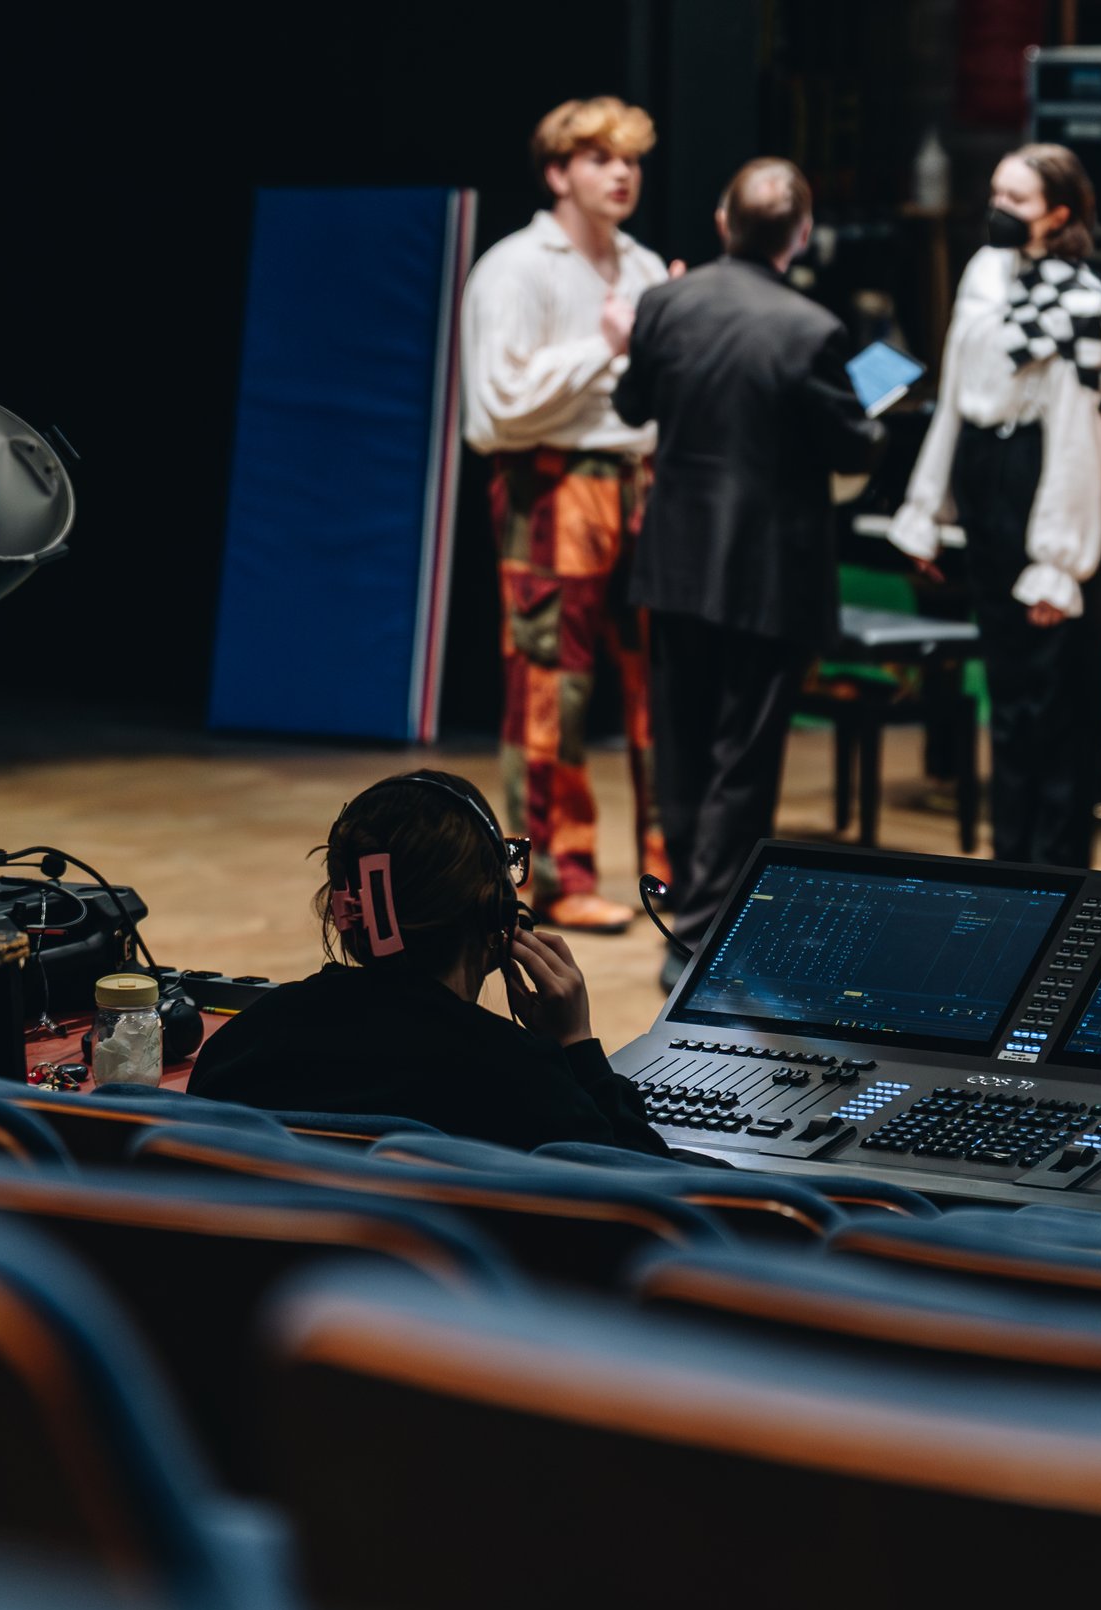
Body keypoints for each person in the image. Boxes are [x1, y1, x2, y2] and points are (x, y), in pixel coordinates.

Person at [612, 159, 887, 977]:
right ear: (801, 235)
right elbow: (852, 444)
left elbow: (632, 408)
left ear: (723, 220)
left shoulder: (666, 302)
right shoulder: (812, 329)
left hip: (677, 561)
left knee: (684, 743)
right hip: (769, 572)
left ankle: (688, 919)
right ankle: (701, 933)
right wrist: (875, 410)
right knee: (744, 753)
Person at [460, 96, 680, 934]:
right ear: (558, 171)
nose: (620, 172)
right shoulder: (517, 267)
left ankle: (670, 871)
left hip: (645, 480)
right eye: (598, 157)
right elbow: (500, 408)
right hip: (552, 484)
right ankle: (553, 876)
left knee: (662, 685)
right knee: (551, 686)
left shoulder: (647, 267)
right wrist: (609, 346)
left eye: (629, 159)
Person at [191, 771, 669, 1154]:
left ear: (345, 913)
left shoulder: (242, 1047)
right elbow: (644, 1186)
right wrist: (577, 1047)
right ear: (496, 911)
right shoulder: (521, 1081)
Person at [888, 143, 1101, 868]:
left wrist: (1058, 563)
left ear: (1058, 213)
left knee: (1052, 705)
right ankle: (1009, 863)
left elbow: (1082, 439)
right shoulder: (986, 273)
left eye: (1015, 200)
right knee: (1009, 699)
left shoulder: (1084, 303)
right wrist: (927, 509)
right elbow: (956, 391)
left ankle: (1052, 872)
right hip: (984, 475)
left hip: (1041, 483)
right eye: (994, 193)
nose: (998, 211)